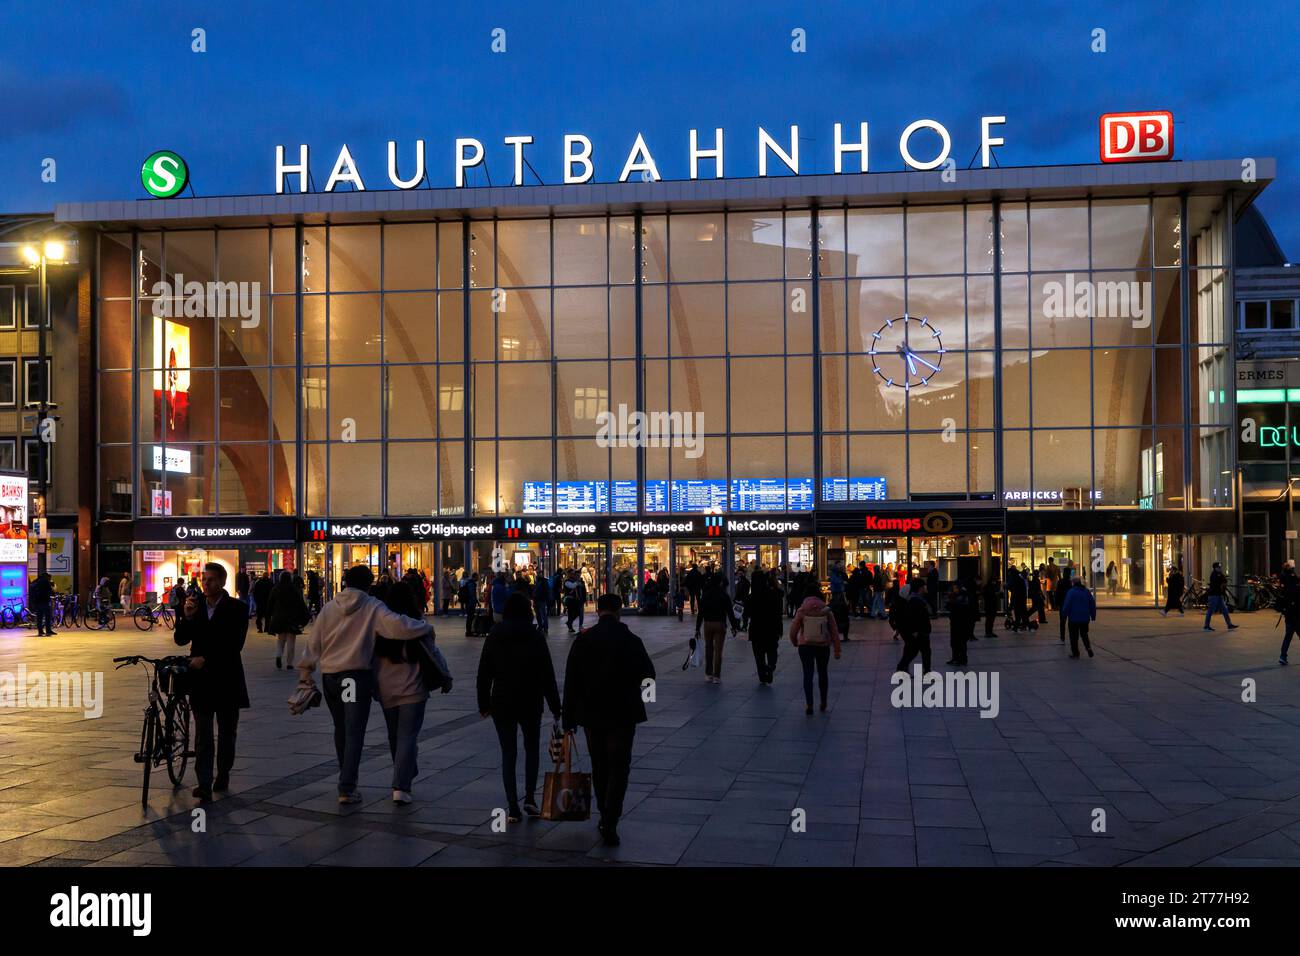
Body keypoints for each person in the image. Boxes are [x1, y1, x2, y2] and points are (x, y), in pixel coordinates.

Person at [296, 565, 432, 804]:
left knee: (340, 728)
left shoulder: (329, 608)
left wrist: (306, 672)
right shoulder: (372, 606)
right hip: (353, 678)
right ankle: (347, 787)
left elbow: (313, 643)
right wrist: (424, 627)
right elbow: (397, 626)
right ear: (368, 584)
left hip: (331, 679)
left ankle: (346, 777)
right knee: (354, 731)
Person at [562, 593, 655, 847]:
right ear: (618, 611)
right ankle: (611, 818)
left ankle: (604, 811)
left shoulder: (583, 641)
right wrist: (643, 696)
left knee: (600, 765)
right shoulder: (631, 640)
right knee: (620, 766)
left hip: (592, 714)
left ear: (598, 611)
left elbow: (571, 682)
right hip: (623, 714)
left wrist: (568, 718)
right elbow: (649, 674)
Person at [477, 592, 561, 822]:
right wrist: (555, 705)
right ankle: (530, 799)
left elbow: (484, 673)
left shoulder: (495, 634)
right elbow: (547, 674)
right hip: (530, 699)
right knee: (531, 748)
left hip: (502, 700)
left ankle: (512, 805)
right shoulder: (535, 636)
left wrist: (483, 703)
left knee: (508, 753)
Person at [174, 562, 249, 801]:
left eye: (211, 580)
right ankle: (204, 782)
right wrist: (186, 617)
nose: (206, 584)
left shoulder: (237, 608)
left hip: (227, 678)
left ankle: (223, 772)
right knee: (203, 734)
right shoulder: (195, 607)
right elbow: (180, 639)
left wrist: (206, 659)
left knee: (227, 732)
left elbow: (235, 644)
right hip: (202, 682)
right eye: (204, 579)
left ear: (222, 582)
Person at [374, 579, 446, 804]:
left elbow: (372, 660)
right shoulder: (417, 625)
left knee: (396, 737)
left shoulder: (380, 629)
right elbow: (433, 653)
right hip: (413, 690)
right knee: (407, 737)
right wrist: (446, 676)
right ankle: (401, 785)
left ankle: (403, 774)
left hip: (387, 690)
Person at [789, 586, 841, 715]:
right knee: (823, 673)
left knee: (808, 674)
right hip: (822, 646)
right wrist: (837, 650)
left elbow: (793, 630)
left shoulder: (802, 610)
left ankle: (809, 704)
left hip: (805, 645)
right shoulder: (826, 610)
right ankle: (823, 702)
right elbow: (834, 630)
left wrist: (795, 641)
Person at [695, 574, 740, 684]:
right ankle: (716, 676)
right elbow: (730, 612)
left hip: (707, 624)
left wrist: (697, 628)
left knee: (708, 649)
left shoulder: (705, 595)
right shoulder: (724, 595)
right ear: (720, 582)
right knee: (718, 651)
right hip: (720, 624)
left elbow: (700, 613)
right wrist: (734, 627)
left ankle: (708, 674)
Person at [266, 569, 310, 670]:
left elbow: (270, 603)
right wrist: (304, 618)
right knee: (291, 641)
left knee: (281, 639)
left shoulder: (276, 589)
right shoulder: (294, 590)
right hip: (292, 619)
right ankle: (289, 663)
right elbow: (301, 605)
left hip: (279, 618)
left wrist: (268, 616)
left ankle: (278, 655)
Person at [746, 570, 783, 685]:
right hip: (771, 628)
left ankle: (762, 676)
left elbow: (747, 613)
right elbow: (778, 612)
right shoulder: (773, 594)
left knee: (759, 654)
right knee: (772, 650)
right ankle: (771, 666)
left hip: (756, 629)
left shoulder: (752, 597)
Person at [895, 578, 933, 675]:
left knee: (916, 651)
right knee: (920, 651)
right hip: (920, 631)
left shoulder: (918, 598)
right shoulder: (915, 600)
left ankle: (902, 667)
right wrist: (915, 631)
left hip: (921, 630)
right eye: (924, 586)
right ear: (921, 588)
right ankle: (903, 667)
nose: (926, 588)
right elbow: (913, 617)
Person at [1060, 577, 1097, 659]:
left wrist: (1064, 615)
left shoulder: (1071, 592)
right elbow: (1092, 604)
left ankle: (1076, 653)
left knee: (1073, 637)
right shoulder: (1086, 592)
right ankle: (1088, 647)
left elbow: (1067, 605)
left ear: (1073, 583)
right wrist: (1093, 615)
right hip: (1084, 618)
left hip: (1073, 618)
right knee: (1084, 634)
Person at [946, 579, 976, 667]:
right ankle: (955, 658)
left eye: (955, 588)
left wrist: (952, 603)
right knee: (954, 641)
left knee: (960, 642)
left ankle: (961, 658)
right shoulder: (956, 595)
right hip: (955, 621)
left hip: (961, 622)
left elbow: (958, 607)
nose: (954, 589)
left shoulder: (963, 596)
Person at [1203, 562, 1238, 632]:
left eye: (1220, 567)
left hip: (1219, 595)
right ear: (1215, 568)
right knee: (1210, 611)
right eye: (1218, 567)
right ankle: (1206, 626)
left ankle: (1229, 624)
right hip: (1213, 596)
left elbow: (1224, 580)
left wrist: (1223, 580)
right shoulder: (1214, 575)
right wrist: (1222, 581)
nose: (1220, 568)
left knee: (1225, 610)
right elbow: (1221, 581)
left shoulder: (1219, 574)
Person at [1279, 561, 1300, 665]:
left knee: (1288, 636)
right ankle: (1283, 656)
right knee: (1289, 635)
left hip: (1289, 614)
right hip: (1295, 615)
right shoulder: (1293, 584)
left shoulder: (1284, 579)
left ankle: (1283, 656)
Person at [29, 571, 53, 637]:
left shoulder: (36, 581)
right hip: (44, 602)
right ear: (47, 577)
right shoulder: (45, 582)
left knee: (39, 618)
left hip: (37, 602)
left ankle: (40, 631)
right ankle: (48, 631)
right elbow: (50, 591)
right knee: (48, 616)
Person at [1053, 566, 1072, 643]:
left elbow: (1057, 593)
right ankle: (1071, 636)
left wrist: (1057, 603)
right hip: (1069, 604)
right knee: (1071, 622)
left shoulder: (1060, 582)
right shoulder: (1071, 582)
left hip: (1062, 604)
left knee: (1062, 621)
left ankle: (1062, 637)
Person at [460, 572, 479, 636]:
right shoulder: (471, 584)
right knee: (470, 617)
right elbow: (472, 594)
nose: (478, 578)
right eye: (477, 577)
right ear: (475, 577)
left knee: (470, 617)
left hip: (469, 602)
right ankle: (469, 631)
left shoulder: (470, 583)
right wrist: (475, 602)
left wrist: (477, 602)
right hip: (470, 603)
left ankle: (469, 631)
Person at [981, 574, 1000, 639]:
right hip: (990, 606)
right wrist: (998, 592)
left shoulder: (989, 587)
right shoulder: (989, 587)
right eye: (995, 581)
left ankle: (989, 632)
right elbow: (991, 595)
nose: (995, 582)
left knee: (991, 620)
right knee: (989, 619)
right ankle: (988, 632)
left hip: (990, 605)